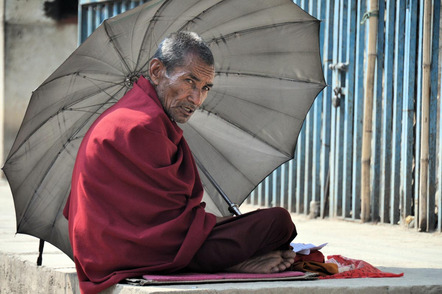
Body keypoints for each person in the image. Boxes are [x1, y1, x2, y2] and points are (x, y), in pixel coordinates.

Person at [63, 31, 297, 294]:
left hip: (109, 252)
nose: (196, 99)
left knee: (261, 227)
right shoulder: (143, 125)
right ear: (156, 71)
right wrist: (221, 227)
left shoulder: (136, 115)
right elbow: (175, 226)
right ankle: (235, 262)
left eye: (205, 88)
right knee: (278, 223)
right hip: (136, 254)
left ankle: (235, 258)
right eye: (189, 81)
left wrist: (214, 224)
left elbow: (167, 215)